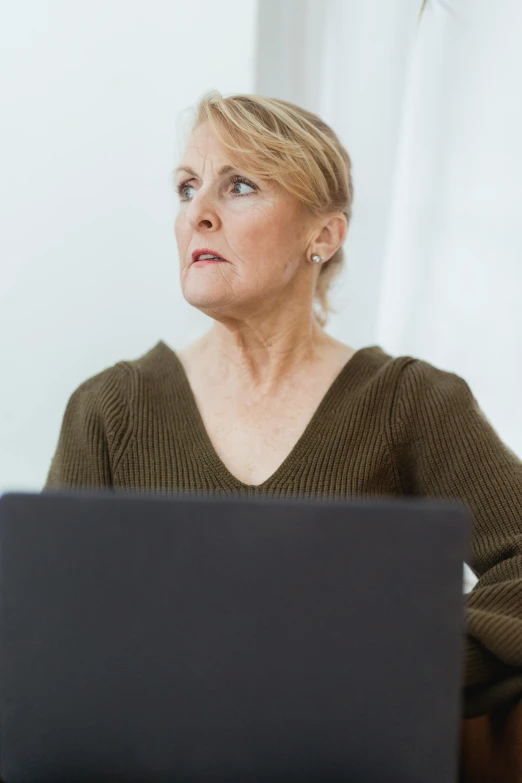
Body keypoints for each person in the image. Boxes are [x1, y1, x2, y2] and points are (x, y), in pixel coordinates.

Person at [43, 90, 522, 723]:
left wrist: (407, 663)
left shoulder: (412, 402)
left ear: (322, 234)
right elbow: (45, 631)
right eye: (188, 188)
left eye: (239, 186)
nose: (198, 216)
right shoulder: (109, 410)